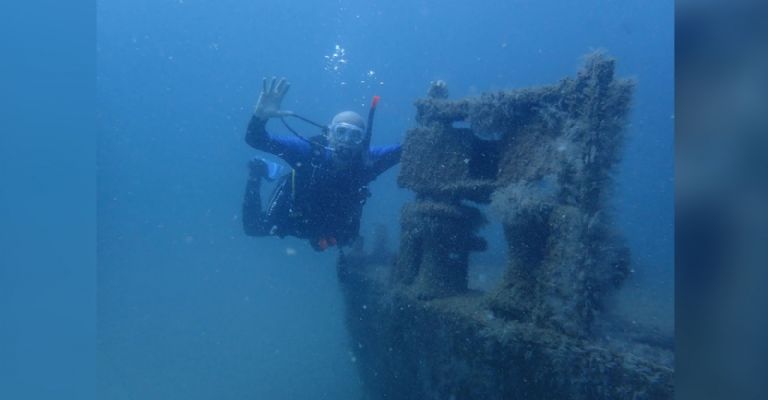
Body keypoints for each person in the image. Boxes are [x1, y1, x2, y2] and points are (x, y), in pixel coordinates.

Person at [242, 77, 401, 252]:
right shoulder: (308, 152)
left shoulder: (368, 161)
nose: (346, 141)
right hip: (294, 213)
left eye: (355, 135)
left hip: (330, 221)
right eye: (341, 132)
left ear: (362, 141)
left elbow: (408, 150)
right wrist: (260, 117)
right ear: (328, 133)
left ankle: (320, 236)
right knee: (254, 228)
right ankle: (258, 169)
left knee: (347, 239)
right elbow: (255, 139)